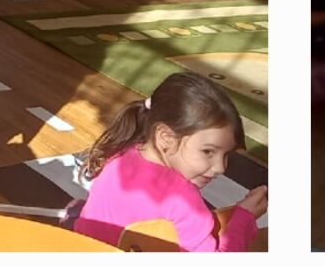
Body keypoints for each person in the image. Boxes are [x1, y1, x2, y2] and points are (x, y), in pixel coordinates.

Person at [75, 69, 264, 251]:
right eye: (208, 151)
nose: (220, 167)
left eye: (227, 154)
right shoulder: (182, 199)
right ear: (166, 137)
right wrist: (244, 219)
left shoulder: (122, 153)